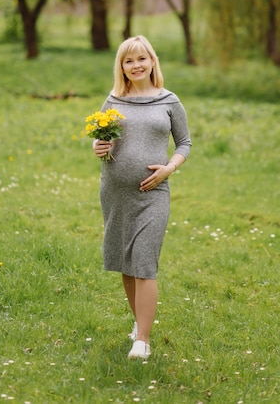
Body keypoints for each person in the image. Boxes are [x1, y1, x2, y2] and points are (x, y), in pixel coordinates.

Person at [92, 35, 191, 360]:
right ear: (121, 66)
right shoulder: (114, 99)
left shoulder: (168, 100)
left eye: (141, 59)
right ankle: (139, 323)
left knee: (144, 262)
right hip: (116, 192)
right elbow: (101, 137)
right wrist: (98, 147)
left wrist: (168, 169)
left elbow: (185, 143)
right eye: (128, 61)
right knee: (126, 261)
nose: (136, 66)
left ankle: (142, 341)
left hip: (153, 193)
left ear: (152, 61)